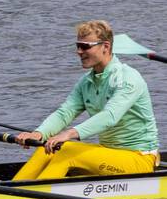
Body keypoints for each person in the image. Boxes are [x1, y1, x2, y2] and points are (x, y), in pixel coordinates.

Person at [12, 20, 159, 180]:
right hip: (109, 153)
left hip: (139, 159)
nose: (79, 52)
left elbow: (110, 116)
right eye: (78, 46)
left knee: (67, 151)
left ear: (106, 47)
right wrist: (38, 134)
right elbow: (64, 113)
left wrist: (69, 134)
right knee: (47, 147)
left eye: (85, 46)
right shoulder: (86, 82)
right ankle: (10, 190)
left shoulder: (128, 78)